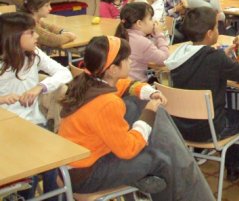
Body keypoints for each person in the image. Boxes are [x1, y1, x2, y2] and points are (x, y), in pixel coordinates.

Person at [58, 36, 214, 201]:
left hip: (77, 165)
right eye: (126, 59)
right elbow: (128, 149)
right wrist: (150, 111)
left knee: (135, 110)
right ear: (112, 69)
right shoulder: (107, 103)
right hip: (86, 175)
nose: (130, 62)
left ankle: (141, 178)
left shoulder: (88, 82)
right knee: (160, 160)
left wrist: (149, 92)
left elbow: (125, 85)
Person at [165, 7, 239, 188]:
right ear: (210, 33)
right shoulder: (214, 58)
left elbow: (203, 67)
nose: (219, 31)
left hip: (182, 127)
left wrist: (222, 58)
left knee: (229, 114)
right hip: (209, 129)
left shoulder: (179, 54)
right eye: (217, 28)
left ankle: (235, 164)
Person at [0, 12, 72, 199]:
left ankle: (51, 197)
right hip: (5, 128)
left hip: (32, 124)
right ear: (14, 36)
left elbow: (65, 73)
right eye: (31, 33)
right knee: (30, 168)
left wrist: (41, 86)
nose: (37, 36)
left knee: (54, 159)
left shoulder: (34, 54)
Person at [115, 3, 169, 83]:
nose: (153, 22)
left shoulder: (123, 34)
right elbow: (165, 59)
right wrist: (159, 35)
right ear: (139, 23)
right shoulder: (142, 42)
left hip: (122, 84)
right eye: (150, 19)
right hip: (136, 87)